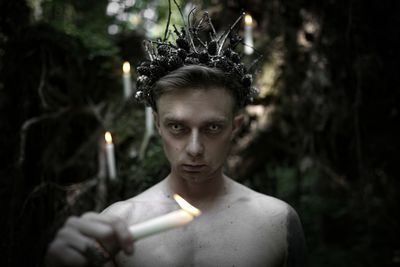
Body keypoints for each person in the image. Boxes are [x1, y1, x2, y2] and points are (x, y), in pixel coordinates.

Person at [45, 11, 306, 267]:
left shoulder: (277, 221)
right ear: (158, 124)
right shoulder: (119, 223)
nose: (194, 148)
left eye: (213, 127)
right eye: (177, 127)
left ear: (235, 127)